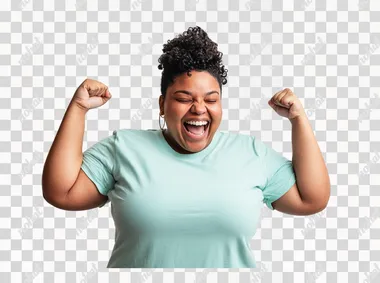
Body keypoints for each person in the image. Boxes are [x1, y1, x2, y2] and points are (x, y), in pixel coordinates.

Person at [42, 26, 330, 268]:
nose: (199, 109)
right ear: (162, 105)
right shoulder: (124, 148)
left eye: (211, 99)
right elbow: (61, 192)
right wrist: (78, 108)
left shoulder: (250, 153)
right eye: (183, 98)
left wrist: (298, 119)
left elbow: (312, 199)